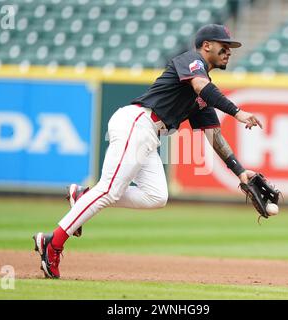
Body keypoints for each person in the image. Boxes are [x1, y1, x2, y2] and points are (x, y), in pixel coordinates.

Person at [33, 24, 263, 279]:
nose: (228, 51)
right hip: (137, 122)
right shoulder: (191, 60)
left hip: (150, 135)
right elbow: (200, 86)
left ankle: (84, 195)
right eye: (224, 45)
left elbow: (214, 136)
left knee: (156, 196)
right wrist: (238, 112)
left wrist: (240, 172)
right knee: (109, 189)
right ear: (206, 45)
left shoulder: (204, 92)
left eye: (230, 47)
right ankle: (52, 244)